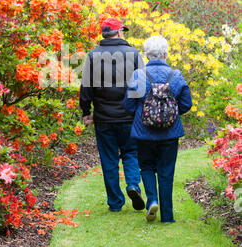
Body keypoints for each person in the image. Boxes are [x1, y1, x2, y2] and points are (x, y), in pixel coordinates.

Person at [123, 35, 192, 223]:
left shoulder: (139, 75)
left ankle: (152, 200)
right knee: (166, 171)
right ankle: (167, 216)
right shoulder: (176, 76)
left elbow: (128, 105)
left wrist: (141, 114)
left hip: (143, 132)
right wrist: (171, 115)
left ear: (147, 55)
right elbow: (186, 103)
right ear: (165, 54)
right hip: (170, 133)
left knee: (146, 166)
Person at [79, 17, 145, 212]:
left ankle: (115, 202)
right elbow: (141, 85)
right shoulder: (133, 54)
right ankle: (133, 184)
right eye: (122, 30)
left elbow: (86, 88)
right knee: (131, 153)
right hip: (129, 115)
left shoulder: (93, 56)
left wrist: (86, 111)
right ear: (118, 33)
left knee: (109, 159)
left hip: (103, 117)